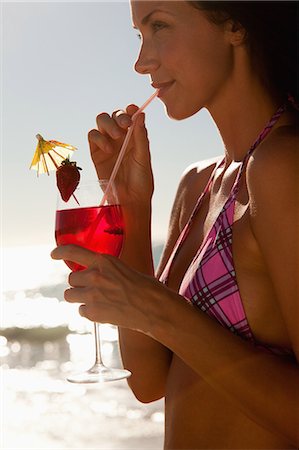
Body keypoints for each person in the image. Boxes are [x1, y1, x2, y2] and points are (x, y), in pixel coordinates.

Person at [51, 1, 299, 448]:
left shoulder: (284, 166)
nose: (141, 60)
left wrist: (162, 311)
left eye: (159, 26)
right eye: (138, 35)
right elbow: (148, 381)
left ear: (235, 24)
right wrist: (132, 204)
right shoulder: (197, 184)